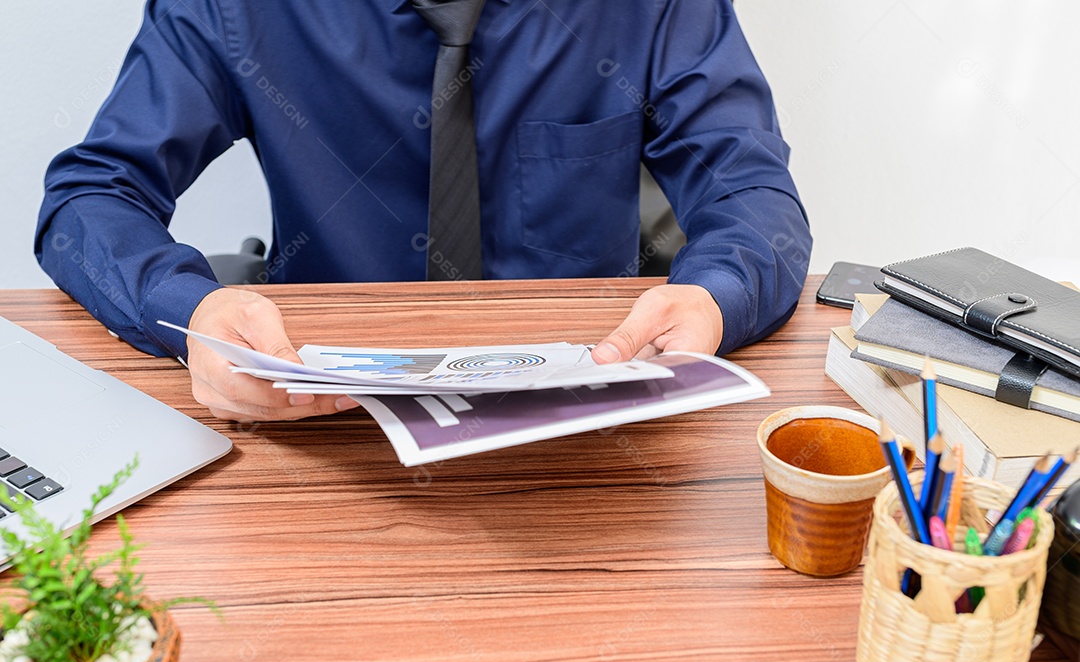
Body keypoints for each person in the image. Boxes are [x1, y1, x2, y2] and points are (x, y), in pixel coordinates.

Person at [35, 0, 812, 423]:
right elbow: (90, 196)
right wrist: (190, 310)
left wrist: (714, 295)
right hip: (321, 422)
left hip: (589, 433)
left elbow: (752, 193)